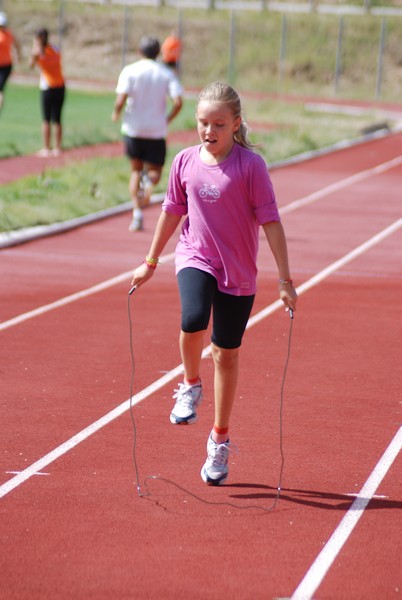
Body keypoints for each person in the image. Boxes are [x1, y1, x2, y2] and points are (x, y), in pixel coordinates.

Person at [131, 81, 298, 485]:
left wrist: (285, 280)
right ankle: (190, 383)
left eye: (219, 124)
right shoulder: (185, 161)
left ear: (236, 123)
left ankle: (219, 439)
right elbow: (172, 211)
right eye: (203, 123)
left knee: (225, 353)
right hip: (195, 255)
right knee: (192, 319)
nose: (209, 131)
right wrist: (150, 261)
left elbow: (271, 222)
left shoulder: (250, 167)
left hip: (238, 271)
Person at [112, 35, 183, 232]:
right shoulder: (165, 73)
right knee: (155, 174)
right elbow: (178, 102)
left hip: (133, 129)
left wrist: (116, 113)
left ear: (139, 51)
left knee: (135, 170)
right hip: (155, 130)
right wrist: (167, 119)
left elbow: (121, 98)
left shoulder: (130, 70)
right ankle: (147, 181)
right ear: (159, 52)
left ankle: (136, 213)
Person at [29, 28, 66, 157]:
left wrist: (36, 48)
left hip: (48, 87)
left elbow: (31, 65)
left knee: (46, 118)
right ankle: (58, 147)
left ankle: (46, 147)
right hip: (60, 85)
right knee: (57, 118)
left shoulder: (39, 52)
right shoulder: (55, 49)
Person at [0, 12, 21, 112]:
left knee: (0, 89)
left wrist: (18, 55)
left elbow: (17, 44)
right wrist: (18, 55)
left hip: (5, 66)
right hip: (6, 64)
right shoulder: (8, 34)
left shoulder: (7, 34)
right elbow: (17, 45)